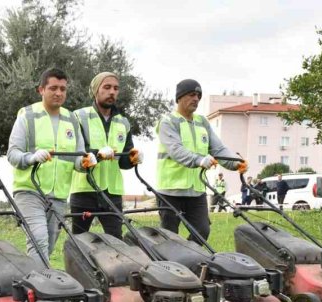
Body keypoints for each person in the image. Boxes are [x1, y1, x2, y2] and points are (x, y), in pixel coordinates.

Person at [7, 68, 94, 267]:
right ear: (41, 90)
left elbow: (78, 159)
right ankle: (43, 289)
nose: (58, 93)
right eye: (53, 88)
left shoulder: (72, 120)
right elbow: (12, 154)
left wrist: (86, 162)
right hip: (29, 191)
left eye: (63, 89)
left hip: (59, 195)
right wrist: (31, 158)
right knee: (38, 238)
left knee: (48, 243)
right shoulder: (27, 116)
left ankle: (31, 282)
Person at [155, 79, 247, 241]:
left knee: (202, 231)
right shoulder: (168, 122)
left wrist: (235, 163)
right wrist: (198, 160)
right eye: (192, 95)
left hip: (196, 191)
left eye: (198, 95)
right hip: (170, 191)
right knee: (169, 237)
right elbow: (176, 150)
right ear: (180, 98)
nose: (196, 99)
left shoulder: (202, 122)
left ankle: (190, 260)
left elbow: (218, 149)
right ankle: (168, 265)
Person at [68, 72, 142, 239]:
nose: (112, 92)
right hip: (84, 191)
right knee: (80, 242)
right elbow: (77, 151)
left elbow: (123, 162)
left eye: (116, 88)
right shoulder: (79, 116)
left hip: (112, 192)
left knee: (117, 241)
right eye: (107, 87)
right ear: (96, 90)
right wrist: (98, 154)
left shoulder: (123, 122)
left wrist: (133, 159)